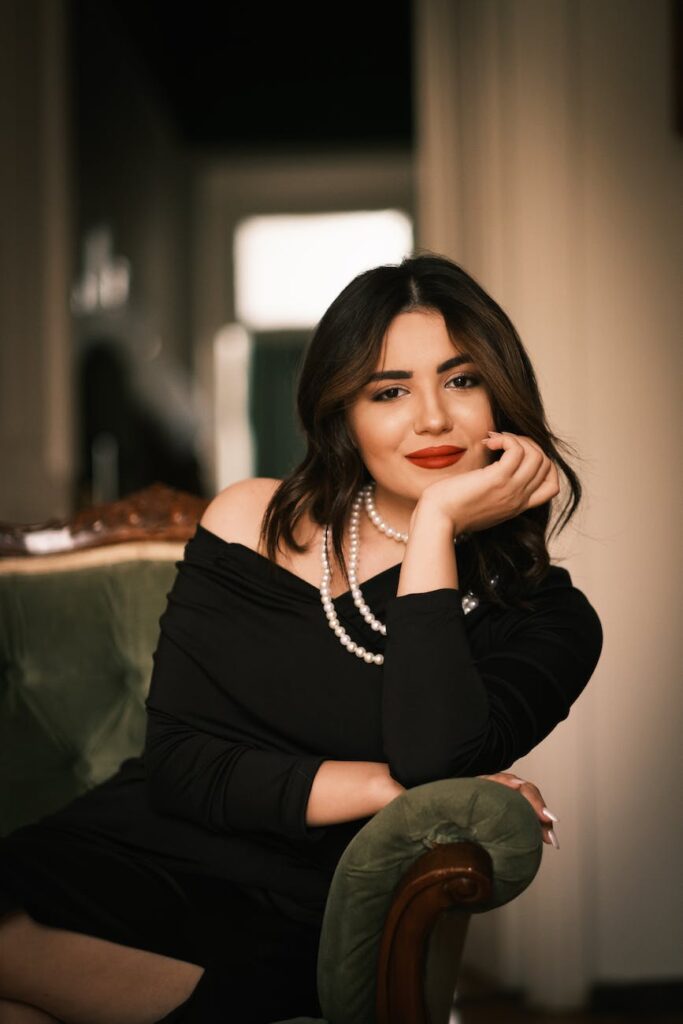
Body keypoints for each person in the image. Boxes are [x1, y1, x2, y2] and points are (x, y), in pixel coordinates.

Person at [0, 254, 603, 1023]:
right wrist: (391, 792)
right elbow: (181, 764)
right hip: (127, 850)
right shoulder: (250, 520)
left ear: (502, 397)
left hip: (300, 912)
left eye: (460, 381)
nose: (430, 418)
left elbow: (432, 755)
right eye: (388, 391)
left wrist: (437, 526)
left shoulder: (550, 621)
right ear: (341, 412)